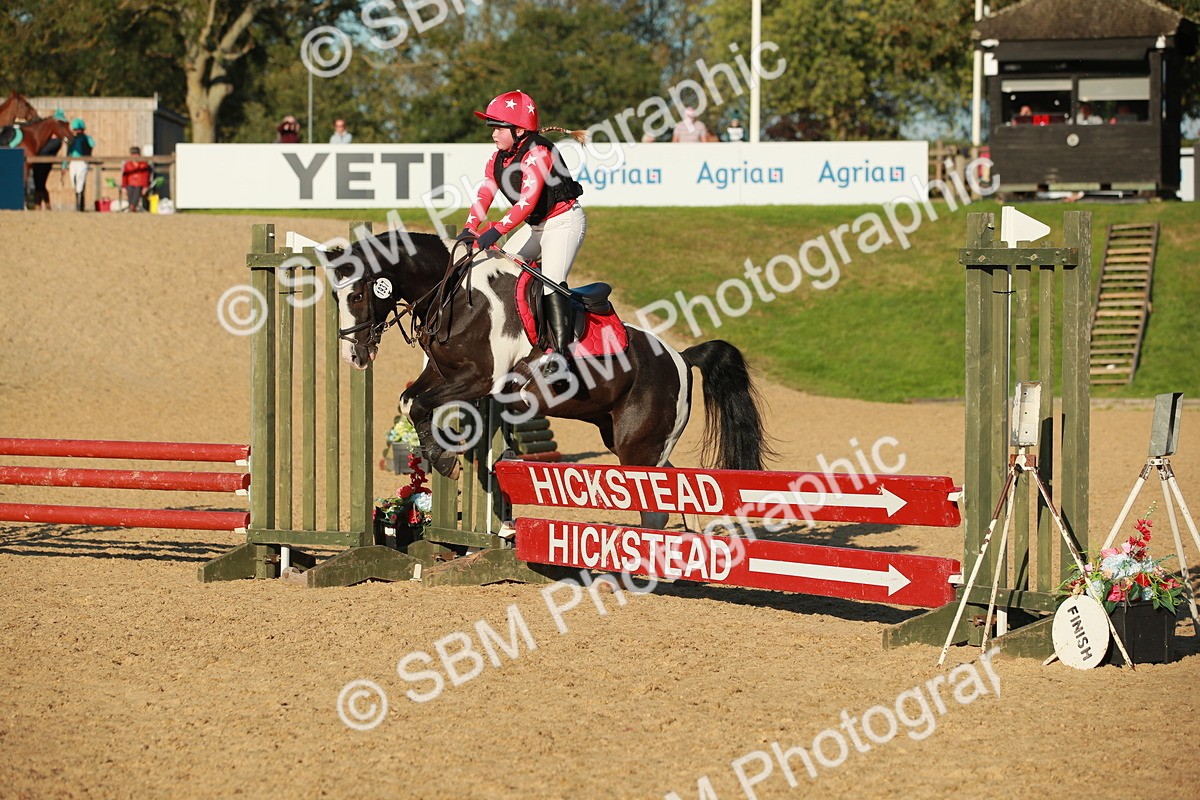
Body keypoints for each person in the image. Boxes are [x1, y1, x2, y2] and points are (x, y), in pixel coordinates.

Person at [459, 90, 587, 379]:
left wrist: (494, 231)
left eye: (498, 128)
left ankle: (560, 354)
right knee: (501, 270)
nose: (492, 133)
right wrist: (470, 227)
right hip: (537, 228)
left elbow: (526, 202)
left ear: (518, 130)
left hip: (564, 223)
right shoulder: (497, 159)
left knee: (552, 282)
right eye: (491, 127)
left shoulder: (538, 152)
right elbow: (485, 194)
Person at [63, 118, 94, 212]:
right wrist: (64, 165)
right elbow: (68, 152)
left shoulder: (86, 138)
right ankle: (78, 204)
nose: (77, 132)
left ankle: (80, 206)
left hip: (83, 161)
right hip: (73, 162)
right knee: (74, 182)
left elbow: (92, 144)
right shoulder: (71, 139)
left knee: (80, 182)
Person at [121, 146, 152, 212]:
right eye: (133, 154)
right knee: (130, 189)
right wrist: (123, 187)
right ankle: (132, 206)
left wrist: (145, 187)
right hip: (130, 183)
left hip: (140, 184)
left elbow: (146, 177)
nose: (135, 156)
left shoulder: (144, 164)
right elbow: (124, 176)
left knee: (137, 189)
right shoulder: (128, 164)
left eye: (136, 154)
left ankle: (133, 206)